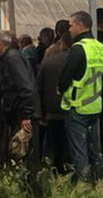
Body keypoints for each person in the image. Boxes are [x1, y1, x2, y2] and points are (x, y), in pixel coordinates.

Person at [0, 30, 41, 193]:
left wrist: (26, 115)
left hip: (22, 115)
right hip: (20, 112)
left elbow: (25, 88)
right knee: (21, 155)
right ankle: (26, 189)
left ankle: (31, 191)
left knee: (25, 155)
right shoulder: (11, 58)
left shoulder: (11, 59)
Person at [59, 11, 103, 184]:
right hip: (95, 104)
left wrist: (60, 88)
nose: (69, 29)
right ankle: (99, 183)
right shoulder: (100, 46)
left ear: (80, 25)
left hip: (77, 105)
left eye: (71, 25)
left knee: (79, 151)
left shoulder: (78, 48)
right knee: (95, 149)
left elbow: (65, 76)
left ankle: (83, 186)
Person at [35, 32, 72, 174]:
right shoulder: (76, 59)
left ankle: (56, 171)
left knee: (55, 145)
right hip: (72, 109)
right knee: (71, 145)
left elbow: (39, 87)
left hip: (52, 111)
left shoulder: (48, 61)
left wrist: (42, 112)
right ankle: (71, 172)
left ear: (61, 43)